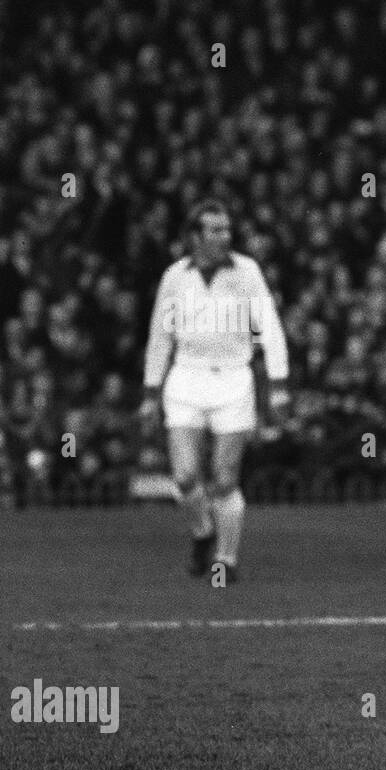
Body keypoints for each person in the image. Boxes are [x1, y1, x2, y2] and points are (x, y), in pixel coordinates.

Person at [139, 199, 290, 583]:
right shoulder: (175, 276)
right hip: (186, 378)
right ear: (195, 235)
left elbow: (269, 328)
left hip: (233, 380)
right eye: (216, 229)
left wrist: (278, 385)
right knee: (186, 477)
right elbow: (160, 336)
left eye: (227, 229)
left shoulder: (247, 272)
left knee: (224, 478)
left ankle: (226, 558)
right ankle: (202, 530)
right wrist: (150, 393)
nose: (226, 236)